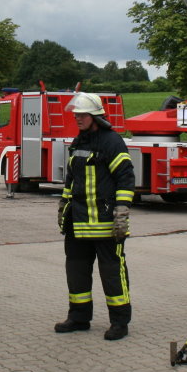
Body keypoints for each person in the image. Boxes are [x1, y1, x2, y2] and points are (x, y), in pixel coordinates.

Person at [54, 92, 135, 340]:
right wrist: (64, 204)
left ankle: (120, 322)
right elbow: (71, 179)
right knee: (76, 271)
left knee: (112, 273)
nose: (77, 118)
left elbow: (126, 177)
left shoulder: (112, 142)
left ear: (96, 116)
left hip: (105, 222)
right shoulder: (79, 142)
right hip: (77, 222)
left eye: (83, 115)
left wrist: (122, 210)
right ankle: (79, 318)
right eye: (76, 115)